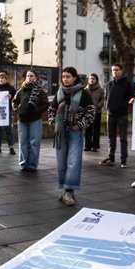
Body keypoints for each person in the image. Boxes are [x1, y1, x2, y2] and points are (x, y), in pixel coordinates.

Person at [49, 67, 96, 206]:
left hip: (75, 131)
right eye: (63, 76)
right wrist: (53, 122)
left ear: (75, 78)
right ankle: (66, 189)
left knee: (73, 161)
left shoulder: (84, 93)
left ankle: (69, 190)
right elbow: (51, 110)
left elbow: (91, 112)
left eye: (68, 76)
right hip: (61, 132)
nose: (65, 79)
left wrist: (80, 125)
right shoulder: (60, 92)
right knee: (61, 161)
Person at [14, 69, 47, 172]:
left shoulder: (40, 91)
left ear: (36, 77)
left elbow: (46, 104)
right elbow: (14, 101)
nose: (29, 77)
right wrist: (17, 109)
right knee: (23, 142)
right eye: (28, 76)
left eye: (31, 76)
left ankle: (32, 165)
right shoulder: (21, 90)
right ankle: (23, 164)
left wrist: (36, 110)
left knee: (34, 142)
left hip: (35, 120)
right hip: (22, 120)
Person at [101, 63, 133, 168]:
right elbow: (105, 97)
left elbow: (130, 98)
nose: (115, 72)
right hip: (111, 113)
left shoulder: (127, 83)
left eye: (117, 70)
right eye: (113, 70)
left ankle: (124, 160)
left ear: (121, 71)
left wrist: (123, 106)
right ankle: (111, 157)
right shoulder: (109, 84)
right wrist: (107, 106)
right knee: (111, 137)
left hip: (122, 114)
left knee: (123, 138)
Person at [84, 73, 105, 152]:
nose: (91, 80)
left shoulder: (100, 90)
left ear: (96, 80)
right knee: (88, 129)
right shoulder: (85, 90)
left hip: (97, 112)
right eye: (90, 78)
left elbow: (103, 100)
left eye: (93, 79)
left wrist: (98, 106)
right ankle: (87, 145)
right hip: (88, 112)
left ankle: (95, 146)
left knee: (96, 129)